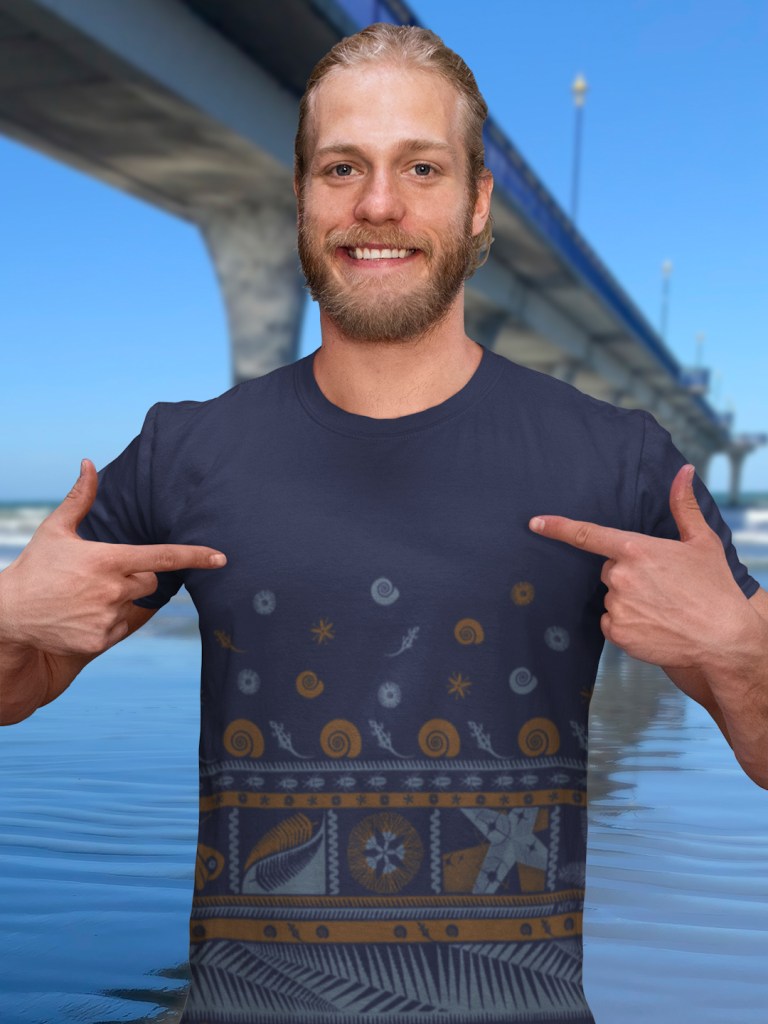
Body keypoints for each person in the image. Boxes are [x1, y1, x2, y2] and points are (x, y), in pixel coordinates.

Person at [1, 21, 766, 1024]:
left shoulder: (618, 460)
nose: (377, 203)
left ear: (477, 201)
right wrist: (9, 612)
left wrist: (741, 649)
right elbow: (15, 687)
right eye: (342, 167)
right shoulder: (186, 449)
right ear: (301, 195)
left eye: (422, 167)